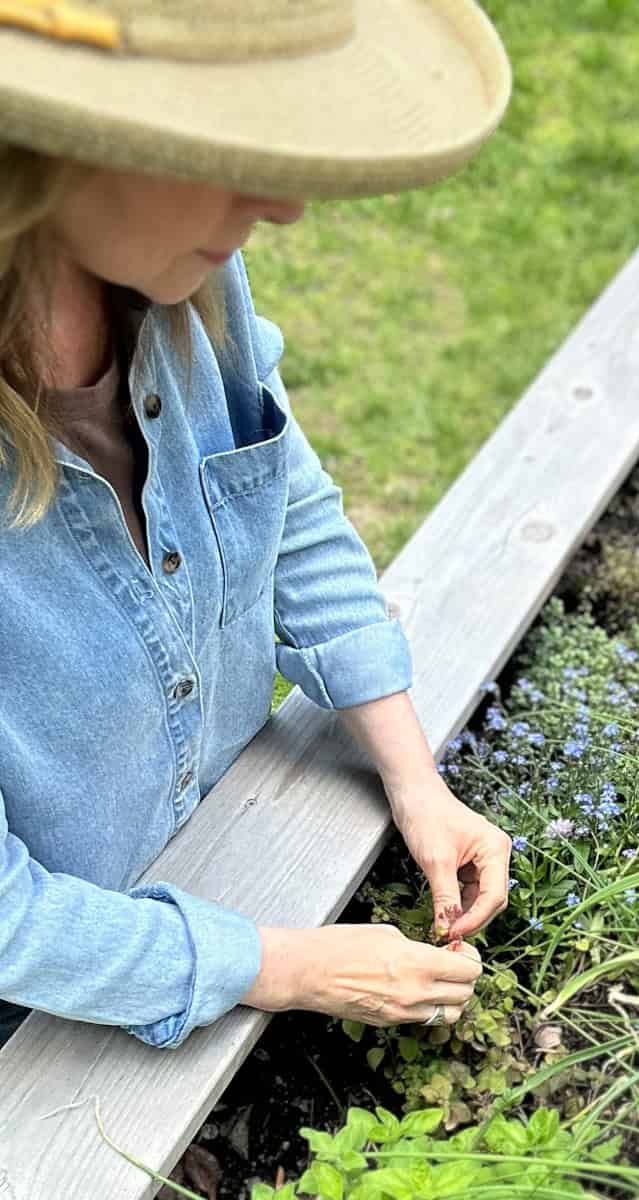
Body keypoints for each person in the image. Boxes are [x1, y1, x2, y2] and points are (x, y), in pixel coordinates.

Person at [0, 0, 514, 1052]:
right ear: (50, 144)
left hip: (214, 857)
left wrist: (416, 780)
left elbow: (287, 506)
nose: (282, 205)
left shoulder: (186, 283)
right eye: (226, 146)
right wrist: (286, 966)